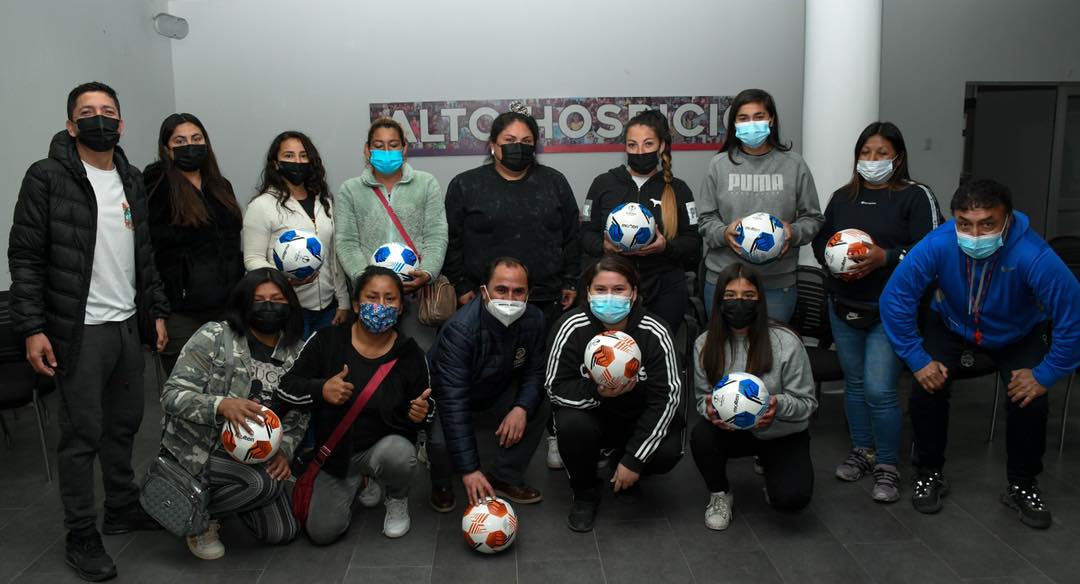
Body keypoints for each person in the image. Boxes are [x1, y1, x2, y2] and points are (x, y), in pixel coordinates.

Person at [8, 81, 169, 581]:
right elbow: (26, 257)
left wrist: (155, 310)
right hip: (76, 331)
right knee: (81, 436)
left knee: (124, 424)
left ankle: (121, 506)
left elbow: (144, 255)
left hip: (125, 326)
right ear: (71, 124)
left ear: (120, 124)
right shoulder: (47, 177)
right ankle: (81, 532)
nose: (99, 119)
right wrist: (32, 327)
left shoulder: (131, 178)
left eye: (108, 111)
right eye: (87, 112)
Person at [880, 178, 1080, 529]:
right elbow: (895, 298)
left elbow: (1073, 313)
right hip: (952, 324)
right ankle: (929, 473)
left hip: (1018, 332)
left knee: (1029, 399)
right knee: (927, 387)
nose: (974, 234)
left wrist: (1046, 374)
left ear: (1007, 219)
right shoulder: (938, 243)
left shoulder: (1033, 255)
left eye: (987, 223)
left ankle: (1022, 484)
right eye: (965, 223)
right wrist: (917, 358)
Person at [810, 122, 943, 503]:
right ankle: (863, 452)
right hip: (844, 305)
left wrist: (886, 256)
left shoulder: (916, 196)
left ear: (897, 158)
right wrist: (834, 260)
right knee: (853, 384)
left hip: (891, 311)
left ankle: (887, 464)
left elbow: (931, 249)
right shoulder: (843, 196)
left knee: (880, 389)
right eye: (865, 153)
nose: (872, 161)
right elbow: (822, 240)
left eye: (881, 154)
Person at [160, 268, 307, 559]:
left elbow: (299, 417)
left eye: (277, 299)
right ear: (242, 304)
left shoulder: (297, 354)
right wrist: (220, 405)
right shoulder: (215, 336)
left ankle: (227, 502)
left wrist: (284, 452)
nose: (268, 306)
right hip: (202, 450)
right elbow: (171, 396)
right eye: (258, 299)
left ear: (290, 304)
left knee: (283, 532)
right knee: (259, 485)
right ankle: (197, 516)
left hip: (256, 452)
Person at [281, 266, 433, 544]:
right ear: (355, 304)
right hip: (335, 453)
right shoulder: (327, 341)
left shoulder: (410, 353)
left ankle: (396, 497)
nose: (381, 306)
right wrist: (321, 389)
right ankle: (361, 480)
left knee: (400, 455)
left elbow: (428, 405)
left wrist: (420, 415)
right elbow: (286, 387)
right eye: (372, 297)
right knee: (322, 533)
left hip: (384, 449)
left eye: (390, 299)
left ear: (401, 308)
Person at [547, 254, 683, 532]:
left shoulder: (654, 331)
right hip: (592, 418)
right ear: (588, 292)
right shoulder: (571, 326)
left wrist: (634, 459)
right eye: (601, 290)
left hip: (636, 419)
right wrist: (597, 392)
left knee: (667, 450)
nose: (609, 297)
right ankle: (584, 492)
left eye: (619, 290)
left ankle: (624, 465)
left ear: (634, 294)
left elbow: (667, 398)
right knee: (571, 424)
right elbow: (553, 387)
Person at [689, 263, 817, 531]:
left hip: (781, 431)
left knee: (792, 500)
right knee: (701, 436)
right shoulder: (704, 343)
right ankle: (720, 494)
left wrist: (776, 405)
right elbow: (702, 399)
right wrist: (710, 410)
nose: (739, 303)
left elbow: (807, 403)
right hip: (731, 430)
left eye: (748, 296)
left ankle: (771, 466)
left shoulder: (786, 342)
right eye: (730, 296)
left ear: (760, 299)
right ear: (719, 300)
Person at [426, 257, 548, 511]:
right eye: (501, 290)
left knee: (540, 403)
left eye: (518, 291)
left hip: (493, 392)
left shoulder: (535, 320)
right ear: (484, 292)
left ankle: (505, 476)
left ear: (529, 294)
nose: (510, 298)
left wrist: (521, 408)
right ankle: (441, 484)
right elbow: (453, 400)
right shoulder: (459, 331)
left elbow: (535, 372)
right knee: (439, 442)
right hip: (448, 400)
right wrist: (470, 470)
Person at [443, 103, 581, 326]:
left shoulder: (555, 182)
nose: (518, 146)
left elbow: (572, 236)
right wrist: (460, 285)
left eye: (526, 141)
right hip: (483, 300)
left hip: (545, 299)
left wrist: (571, 281)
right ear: (493, 145)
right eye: (509, 140)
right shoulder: (465, 184)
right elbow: (451, 240)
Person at [697, 88, 824, 322]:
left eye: (759, 117)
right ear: (734, 123)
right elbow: (705, 220)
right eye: (743, 118)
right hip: (724, 281)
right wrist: (724, 233)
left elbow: (813, 218)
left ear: (771, 120)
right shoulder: (719, 165)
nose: (751, 124)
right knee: (722, 354)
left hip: (776, 283)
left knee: (773, 354)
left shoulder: (794, 164)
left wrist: (792, 232)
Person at [581, 108, 702, 334]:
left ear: (662, 146)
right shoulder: (604, 183)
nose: (639, 151)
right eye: (632, 145)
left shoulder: (679, 189)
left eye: (648, 144)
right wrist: (603, 247)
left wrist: (666, 247)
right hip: (613, 290)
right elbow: (586, 232)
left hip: (664, 289)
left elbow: (693, 242)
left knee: (656, 355)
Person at [335, 117, 448, 349]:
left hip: (415, 295)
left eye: (393, 144)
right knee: (372, 359)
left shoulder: (426, 184)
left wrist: (427, 273)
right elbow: (346, 242)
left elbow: (436, 235)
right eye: (379, 145)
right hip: (371, 297)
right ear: (367, 150)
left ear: (404, 149)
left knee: (416, 357)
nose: (386, 151)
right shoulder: (350, 189)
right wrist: (365, 280)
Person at [145, 112, 244, 374]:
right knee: (187, 394)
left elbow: (234, 245)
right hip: (180, 314)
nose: (190, 145)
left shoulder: (221, 186)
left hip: (226, 309)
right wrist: (156, 313)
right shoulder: (156, 188)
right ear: (167, 150)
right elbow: (149, 255)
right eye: (180, 140)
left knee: (229, 389)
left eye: (196, 138)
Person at [243, 131, 349, 338]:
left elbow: (333, 257)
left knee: (326, 367)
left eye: (303, 155)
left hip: (328, 309)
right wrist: (283, 278)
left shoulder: (324, 201)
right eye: (289, 156)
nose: (297, 161)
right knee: (294, 367)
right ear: (276, 163)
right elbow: (252, 259)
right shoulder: (262, 205)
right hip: (286, 308)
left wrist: (343, 301)